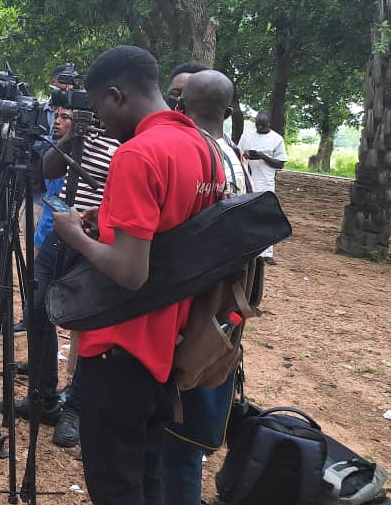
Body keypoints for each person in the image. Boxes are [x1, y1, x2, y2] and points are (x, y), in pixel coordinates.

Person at [51, 45, 223, 505]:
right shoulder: (202, 149)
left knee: (116, 486)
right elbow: (171, 232)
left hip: (121, 345)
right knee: (147, 477)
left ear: (116, 95)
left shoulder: (138, 154)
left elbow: (130, 271)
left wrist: (75, 234)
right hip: (167, 345)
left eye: (100, 109)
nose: (102, 124)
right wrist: (107, 218)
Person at [159, 69, 251, 505]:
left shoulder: (188, 155)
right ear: (228, 112)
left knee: (173, 437)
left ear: (179, 107)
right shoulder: (239, 160)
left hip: (188, 315)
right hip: (225, 316)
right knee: (188, 441)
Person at [16, 108, 120, 449]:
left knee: (89, 329)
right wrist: (73, 135)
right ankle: (45, 398)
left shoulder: (128, 140)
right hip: (60, 233)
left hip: (97, 240)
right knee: (37, 309)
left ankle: (74, 408)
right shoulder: (82, 136)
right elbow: (48, 168)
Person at [238, 109, 287, 265]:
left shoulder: (276, 139)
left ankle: (267, 252)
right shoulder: (247, 136)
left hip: (265, 182)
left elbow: (280, 164)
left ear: (269, 124)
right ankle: (245, 249)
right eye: (257, 125)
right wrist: (246, 154)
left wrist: (262, 156)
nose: (259, 128)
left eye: (263, 125)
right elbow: (237, 153)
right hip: (247, 179)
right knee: (246, 215)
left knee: (265, 216)